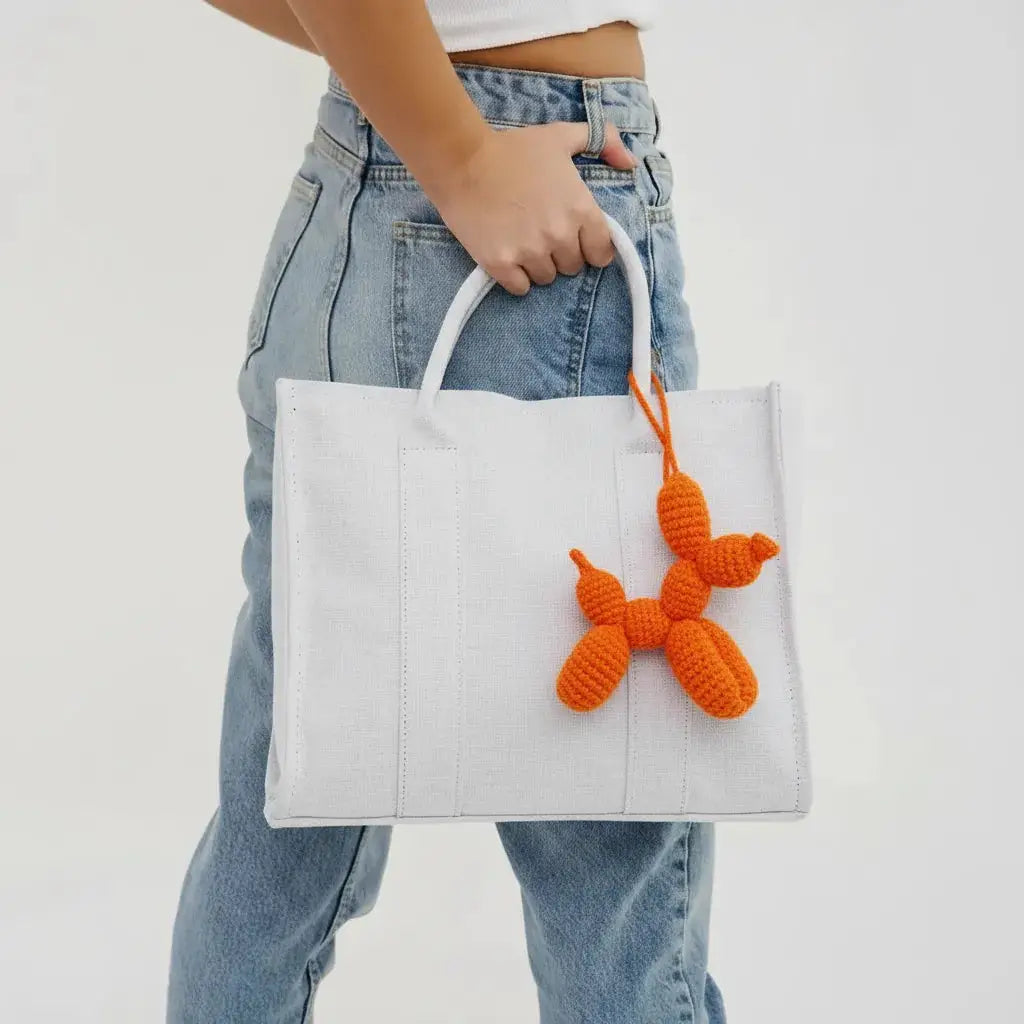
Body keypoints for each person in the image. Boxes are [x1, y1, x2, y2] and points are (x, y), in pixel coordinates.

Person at [168, 2, 724, 1021]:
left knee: (285, 818)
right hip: (521, 196)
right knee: (607, 844)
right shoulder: (483, 163)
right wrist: (461, 157)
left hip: (361, 190)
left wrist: (414, 91)